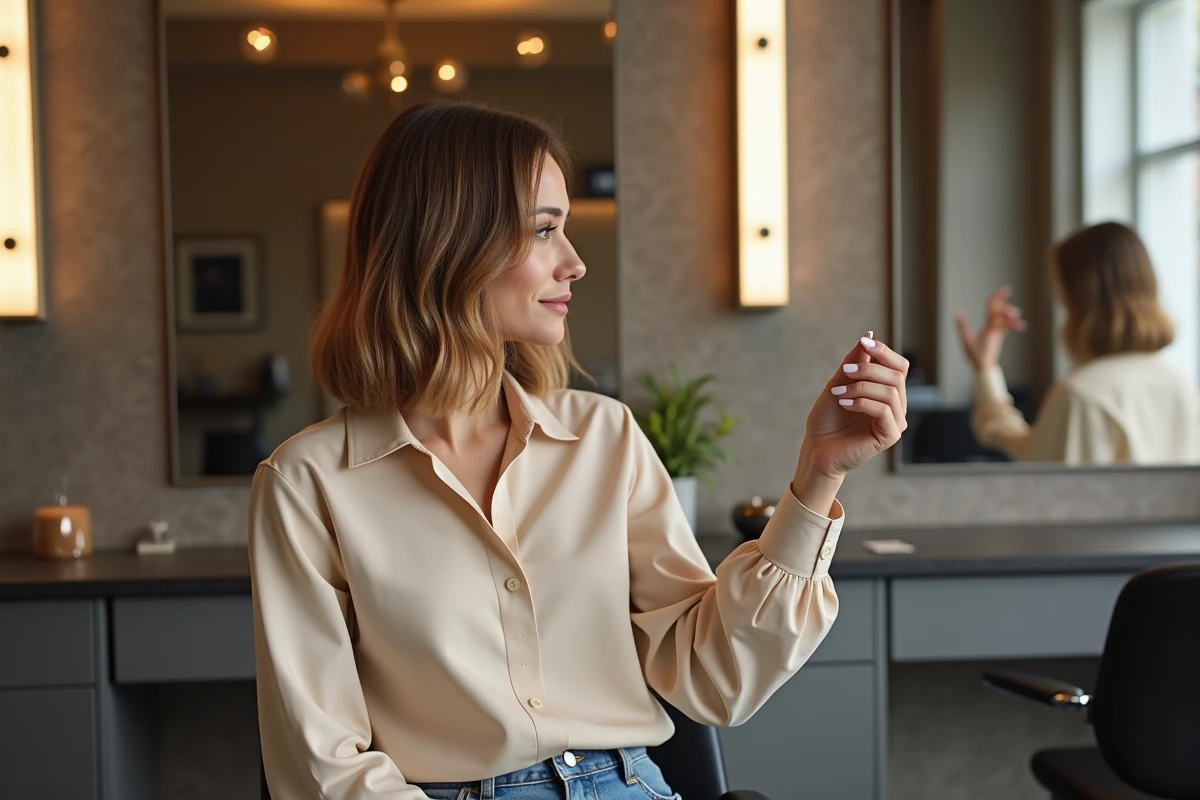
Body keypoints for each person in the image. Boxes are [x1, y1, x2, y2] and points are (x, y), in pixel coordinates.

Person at [249, 102, 908, 800]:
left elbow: (716, 680)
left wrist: (816, 478)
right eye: (544, 230)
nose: (575, 262)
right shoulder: (306, 483)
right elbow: (325, 765)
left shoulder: (605, 438)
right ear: (449, 244)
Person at [955, 221, 1200, 464]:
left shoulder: (1082, 395)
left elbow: (1047, 483)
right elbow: (1030, 447)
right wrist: (986, 369)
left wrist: (985, 369)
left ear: (1075, 300)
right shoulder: (1184, 387)